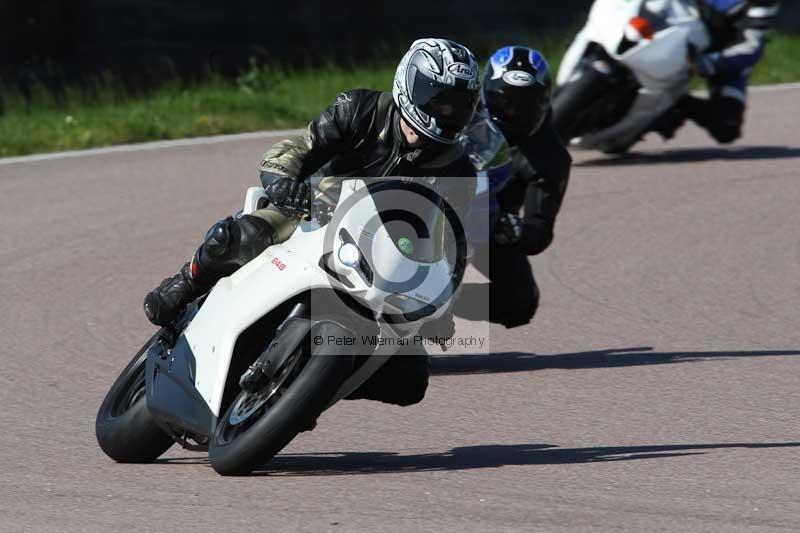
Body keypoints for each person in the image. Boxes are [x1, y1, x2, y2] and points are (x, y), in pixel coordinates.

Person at [143, 37, 480, 406]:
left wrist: (443, 302)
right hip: (311, 213)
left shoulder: (459, 169)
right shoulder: (360, 108)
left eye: (456, 106)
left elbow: (451, 245)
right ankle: (186, 282)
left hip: (385, 258)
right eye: (438, 99)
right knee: (241, 235)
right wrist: (284, 181)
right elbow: (297, 149)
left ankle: (307, 393)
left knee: (410, 381)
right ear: (410, 83)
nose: (445, 113)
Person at [455, 46, 571, 329]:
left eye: (526, 104)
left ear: (543, 101)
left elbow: (540, 229)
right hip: (433, 193)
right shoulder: (457, 109)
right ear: (484, 93)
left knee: (520, 302)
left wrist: (516, 230)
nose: (514, 112)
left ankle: (443, 306)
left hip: (489, 223)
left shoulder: (550, 157)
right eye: (503, 102)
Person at [659, 0, 782, 143]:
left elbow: (751, 46)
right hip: (677, 28)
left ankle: (677, 103)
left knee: (726, 128)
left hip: (724, 55)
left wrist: (711, 62)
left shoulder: (763, 4)